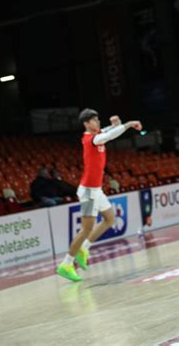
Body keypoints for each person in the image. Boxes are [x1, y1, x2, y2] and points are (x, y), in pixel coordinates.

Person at [56, 110, 142, 282]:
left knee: (110, 219)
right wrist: (128, 124)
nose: (97, 123)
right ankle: (66, 264)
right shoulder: (91, 139)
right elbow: (109, 136)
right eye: (94, 121)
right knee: (86, 229)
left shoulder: (97, 133)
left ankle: (84, 248)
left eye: (98, 120)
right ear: (87, 124)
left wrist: (116, 123)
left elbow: (109, 130)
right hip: (88, 191)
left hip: (96, 190)